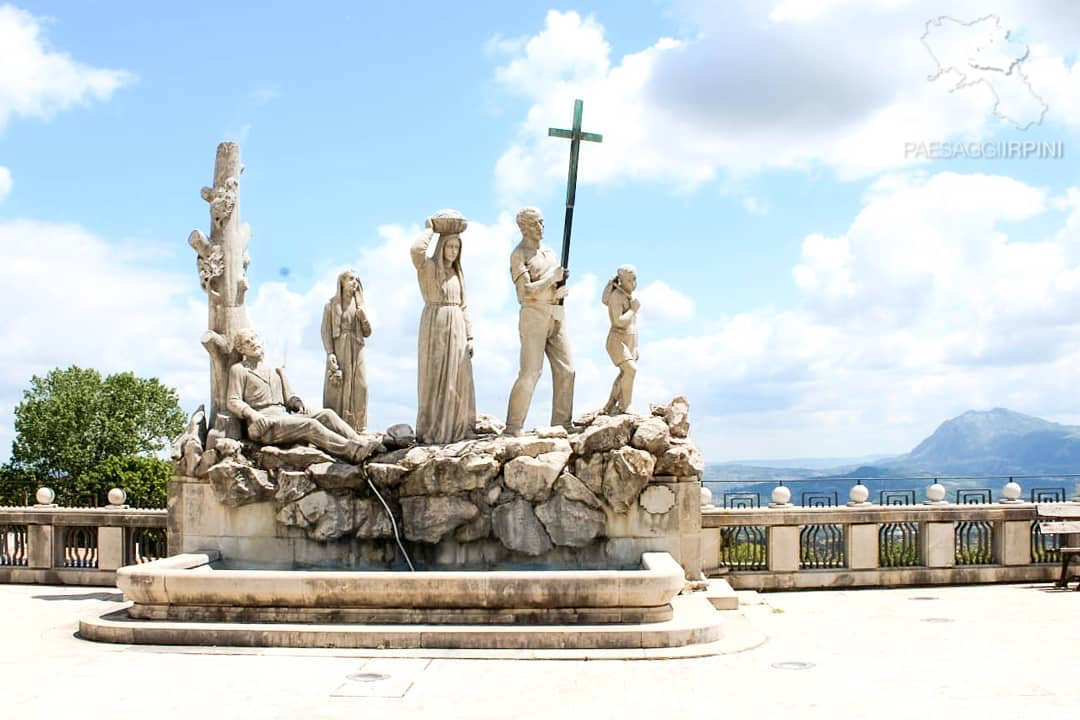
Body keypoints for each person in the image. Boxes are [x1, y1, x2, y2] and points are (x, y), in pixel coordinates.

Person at [226, 328, 372, 463]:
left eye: (253, 338)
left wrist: (297, 403)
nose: (253, 343)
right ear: (241, 349)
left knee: (327, 414)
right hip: (263, 422)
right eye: (247, 342)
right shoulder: (239, 370)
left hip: (284, 416)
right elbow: (233, 400)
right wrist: (252, 414)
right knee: (310, 425)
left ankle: (360, 441)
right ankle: (351, 451)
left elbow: (289, 396)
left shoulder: (274, 369)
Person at [504, 207, 574, 435]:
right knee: (531, 372)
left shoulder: (550, 253)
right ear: (524, 227)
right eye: (536, 224)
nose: (540, 228)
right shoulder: (519, 254)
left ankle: (561, 423)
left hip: (555, 313)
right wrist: (551, 278)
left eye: (542, 223)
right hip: (533, 315)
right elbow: (524, 292)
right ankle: (513, 426)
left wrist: (559, 287)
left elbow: (552, 284)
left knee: (567, 370)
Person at [410, 211, 477, 444]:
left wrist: (470, 336)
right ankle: (433, 428)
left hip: (457, 325)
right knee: (435, 377)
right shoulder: (428, 268)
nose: (453, 252)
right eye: (449, 247)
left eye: (457, 248)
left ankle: (458, 427)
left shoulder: (459, 274)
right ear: (441, 248)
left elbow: (465, 305)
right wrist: (430, 230)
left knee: (459, 377)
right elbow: (416, 251)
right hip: (435, 323)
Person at [321, 270, 371, 432]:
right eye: (350, 279)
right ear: (341, 282)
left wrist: (363, 317)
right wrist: (330, 353)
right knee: (338, 386)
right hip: (339, 347)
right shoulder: (330, 305)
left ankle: (359, 425)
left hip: (357, 347)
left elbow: (368, 332)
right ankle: (336, 426)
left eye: (356, 279)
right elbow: (325, 331)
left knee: (361, 385)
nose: (354, 282)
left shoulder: (360, 305)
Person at [601, 265, 639, 414]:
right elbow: (617, 322)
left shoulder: (630, 297)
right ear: (621, 281)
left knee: (625, 373)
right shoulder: (617, 297)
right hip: (617, 341)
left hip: (630, 341)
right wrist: (633, 310)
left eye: (635, 279)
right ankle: (626, 405)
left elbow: (633, 325)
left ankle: (610, 405)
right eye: (630, 280)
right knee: (630, 370)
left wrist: (636, 347)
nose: (633, 283)